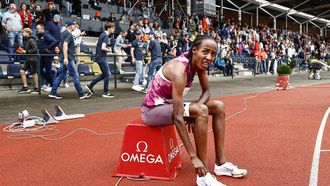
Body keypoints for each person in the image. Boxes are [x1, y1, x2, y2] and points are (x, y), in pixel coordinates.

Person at [141, 35, 247, 186]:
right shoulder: (179, 70)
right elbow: (178, 117)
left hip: (171, 106)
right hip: (152, 111)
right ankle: (203, 175)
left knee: (219, 106)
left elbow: (206, 93)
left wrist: (193, 110)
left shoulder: (198, 64)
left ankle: (221, 164)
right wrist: (193, 157)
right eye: (205, 52)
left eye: (213, 53)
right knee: (201, 110)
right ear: (194, 50)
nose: (209, 57)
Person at [49, 21, 90, 100]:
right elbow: (65, 45)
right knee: (75, 75)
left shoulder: (64, 33)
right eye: (74, 25)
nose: (75, 26)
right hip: (68, 58)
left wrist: (80, 34)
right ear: (71, 26)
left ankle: (53, 92)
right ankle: (81, 93)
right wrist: (66, 58)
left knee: (61, 75)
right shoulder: (68, 34)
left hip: (63, 57)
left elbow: (65, 41)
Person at [85, 22, 115, 98]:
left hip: (99, 57)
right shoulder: (105, 36)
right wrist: (109, 50)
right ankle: (106, 92)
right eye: (113, 28)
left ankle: (90, 86)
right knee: (107, 74)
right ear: (109, 28)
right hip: (101, 57)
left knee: (104, 74)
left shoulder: (102, 35)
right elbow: (102, 47)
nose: (114, 29)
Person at [18, 28, 38, 94]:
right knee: (22, 71)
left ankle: (37, 88)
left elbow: (35, 50)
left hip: (33, 59)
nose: (22, 33)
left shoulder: (31, 40)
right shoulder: (28, 40)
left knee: (34, 73)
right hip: (29, 58)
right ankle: (25, 87)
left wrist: (25, 51)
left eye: (23, 32)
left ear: (27, 32)